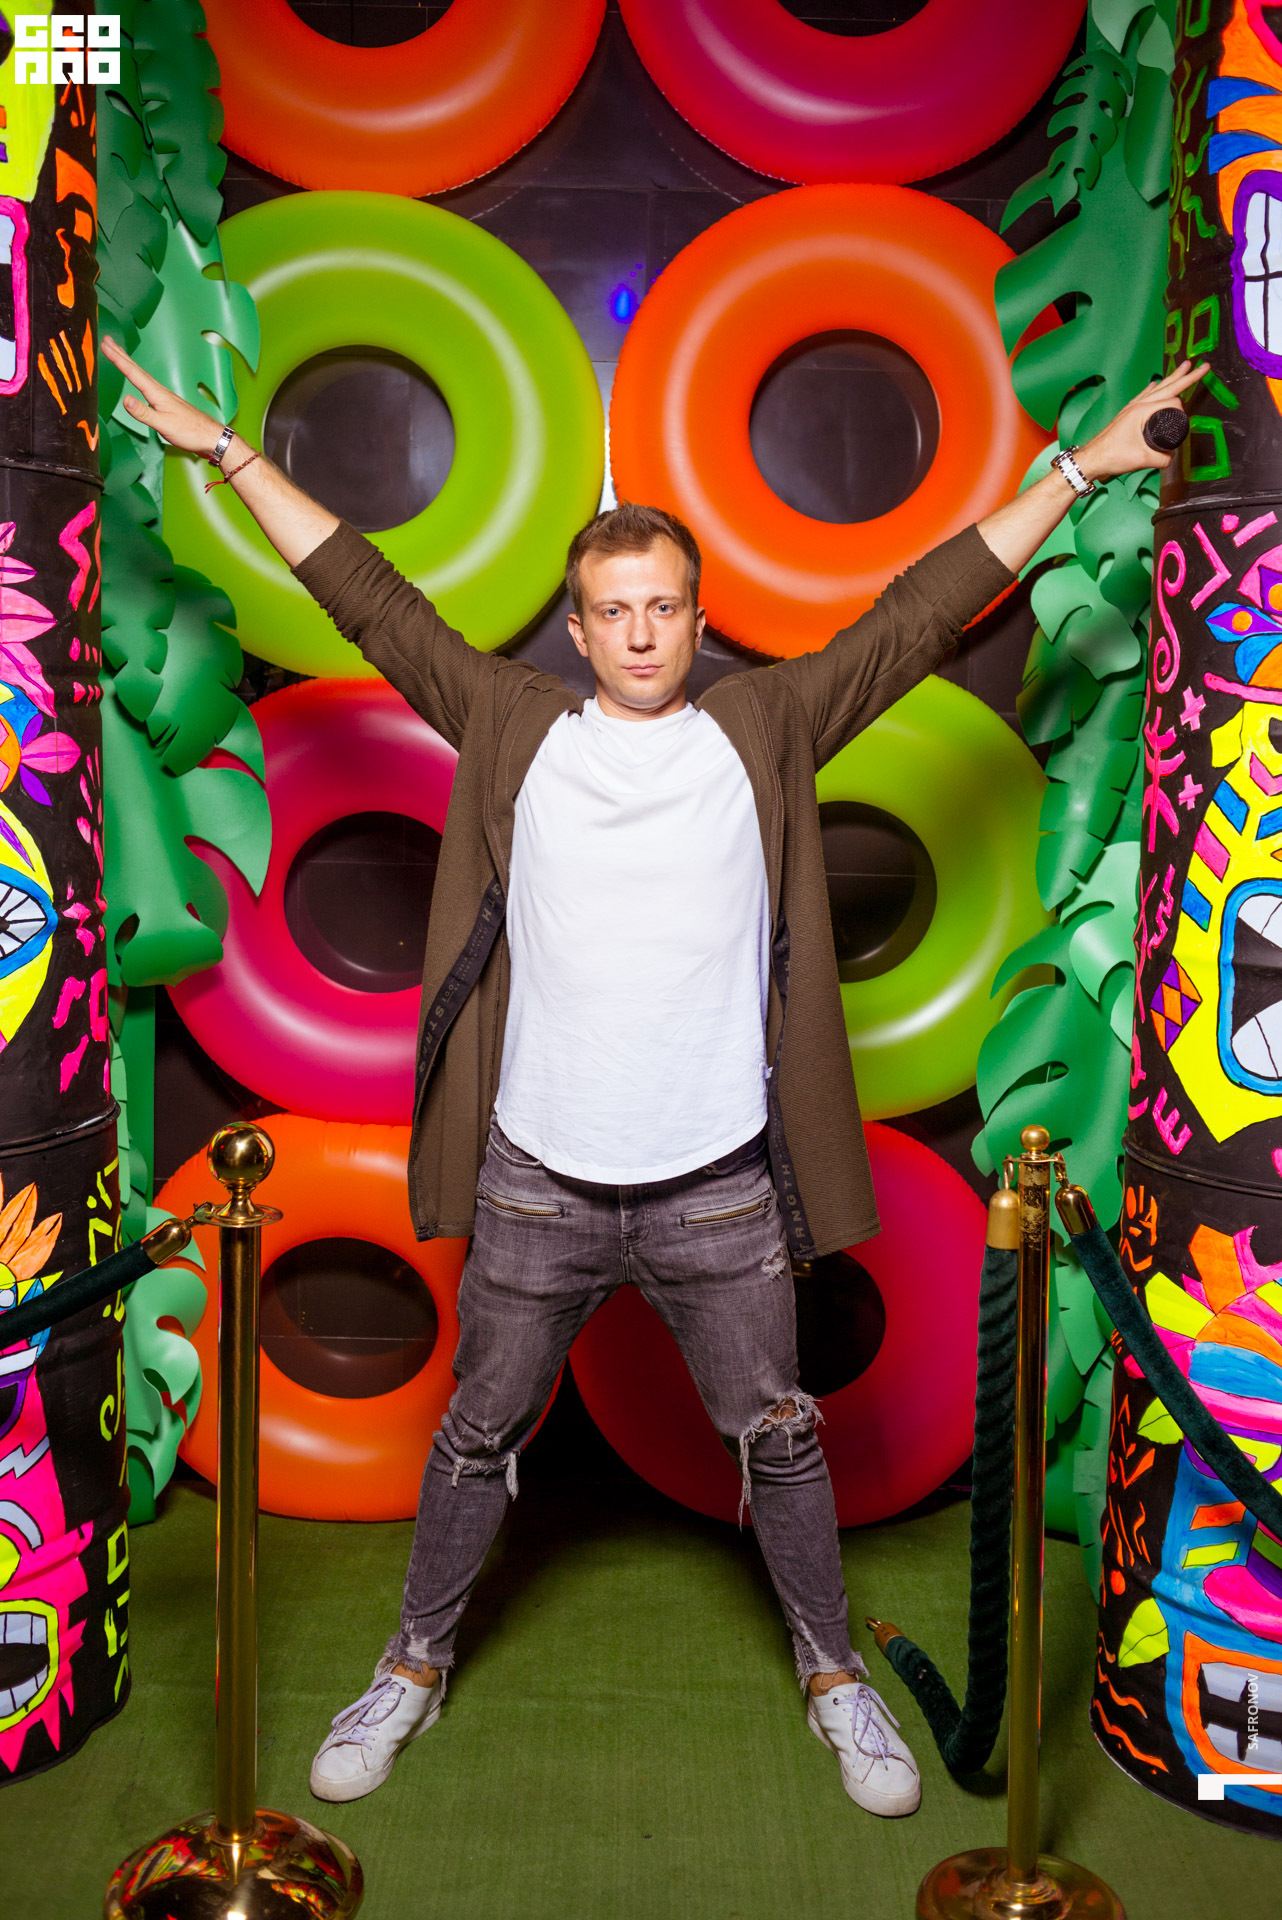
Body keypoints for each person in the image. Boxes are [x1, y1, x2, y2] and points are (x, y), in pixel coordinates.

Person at [102, 331, 1205, 1818]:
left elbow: (921, 610)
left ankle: (833, 1676)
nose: (638, 634)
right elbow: (368, 598)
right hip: (537, 1185)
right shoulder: (513, 723)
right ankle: (412, 1665)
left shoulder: (764, 725)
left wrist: (1079, 466)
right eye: (613, 610)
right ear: (576, 625)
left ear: (696, 615)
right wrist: (229, 454)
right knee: (475, 1435)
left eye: (663, 607)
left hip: (716, 1187)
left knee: (779, 1435)